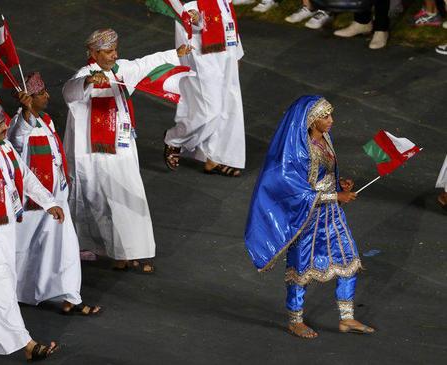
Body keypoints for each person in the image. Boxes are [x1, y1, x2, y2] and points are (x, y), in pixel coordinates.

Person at [245, 96, 375, 338]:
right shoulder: (297, 151)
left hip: (332, 216)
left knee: (349, 261)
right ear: (312, 120)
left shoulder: (325, 139)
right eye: (325, 117)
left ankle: (347, 318)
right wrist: (334, 196)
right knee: (301, 269)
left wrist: (340, 185)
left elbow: (325, 173)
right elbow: (294, 191)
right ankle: (295, 319)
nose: (331, 121)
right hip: (307, 218)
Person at [63, 29, 192, 271]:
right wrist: (88, 81)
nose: (114, 55)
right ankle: (116, 253)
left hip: (122, 147)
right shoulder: (85, 74)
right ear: (93, 52)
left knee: (130, 197)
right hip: (95, 154)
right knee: (101, 203)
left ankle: (134, 252)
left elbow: (145, 64)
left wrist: (175, 54)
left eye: (115, 50)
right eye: (109, 51)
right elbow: (69, 92)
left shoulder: (120, 70)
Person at [7, 73, 101, 315]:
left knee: (65, 246)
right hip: (33, 203)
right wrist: (26, 112)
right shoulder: (19, 126)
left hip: (55, 198)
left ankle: (71, 296)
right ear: (28, 99)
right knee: (25, 250)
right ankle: (18, 293)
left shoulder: (47, 120)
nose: (48, 96)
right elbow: (19, 137)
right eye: (41, 93)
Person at [0, 103, 62, 360]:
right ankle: (27, 344)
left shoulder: (5, 148)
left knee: (0, 285)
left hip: (4, 230)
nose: (5, 127)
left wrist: (49, 201)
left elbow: (26, 176)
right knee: (0, 286)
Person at [164, 0, 246, 177]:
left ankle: (214, 157)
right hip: (203, 59)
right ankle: (175, 138)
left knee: (228, 108)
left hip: (226, 56)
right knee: (210, 112)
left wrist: (236, 54)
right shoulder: (186, 4)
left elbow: (229, 24)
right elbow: (185, 35)